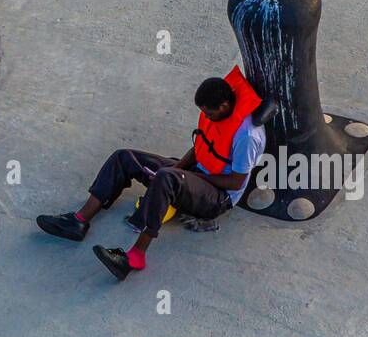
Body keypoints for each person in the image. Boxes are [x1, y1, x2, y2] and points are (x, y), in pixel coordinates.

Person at [36, 67, 274, 280]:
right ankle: (78, 221)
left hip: (217, 196)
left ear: (224, 106)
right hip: (196, 172)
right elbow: (201, 145)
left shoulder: (247, 136)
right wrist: (177, 168)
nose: (207, 117)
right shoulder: (217, 113)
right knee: (124, 157)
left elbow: (235, 182)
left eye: (209, 113)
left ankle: (135, 256)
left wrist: (184, 177)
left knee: (166, 179)